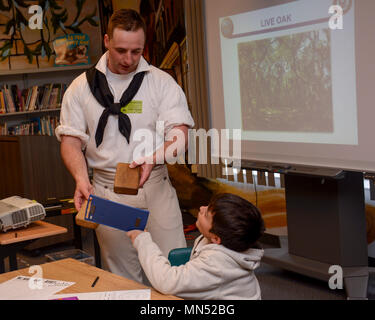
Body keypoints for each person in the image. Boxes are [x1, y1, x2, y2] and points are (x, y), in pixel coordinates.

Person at [55, 9, 194, 283]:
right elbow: (71, 141)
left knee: (174, 268)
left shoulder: (161, 82)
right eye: (121, 50)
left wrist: (154, 157)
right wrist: (81, 180)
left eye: (136, 51)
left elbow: (180, 134)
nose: (129, 60)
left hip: (154, 186)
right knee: (121, 276)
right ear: (106, 40)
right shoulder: (80, 88)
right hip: (108, 191)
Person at [127, 193, 265, 300]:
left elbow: (167, 281)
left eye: (206, 214)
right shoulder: (225, 240)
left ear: (216, 238)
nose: (201, 208)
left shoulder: (216, 264)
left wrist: (142, 240)